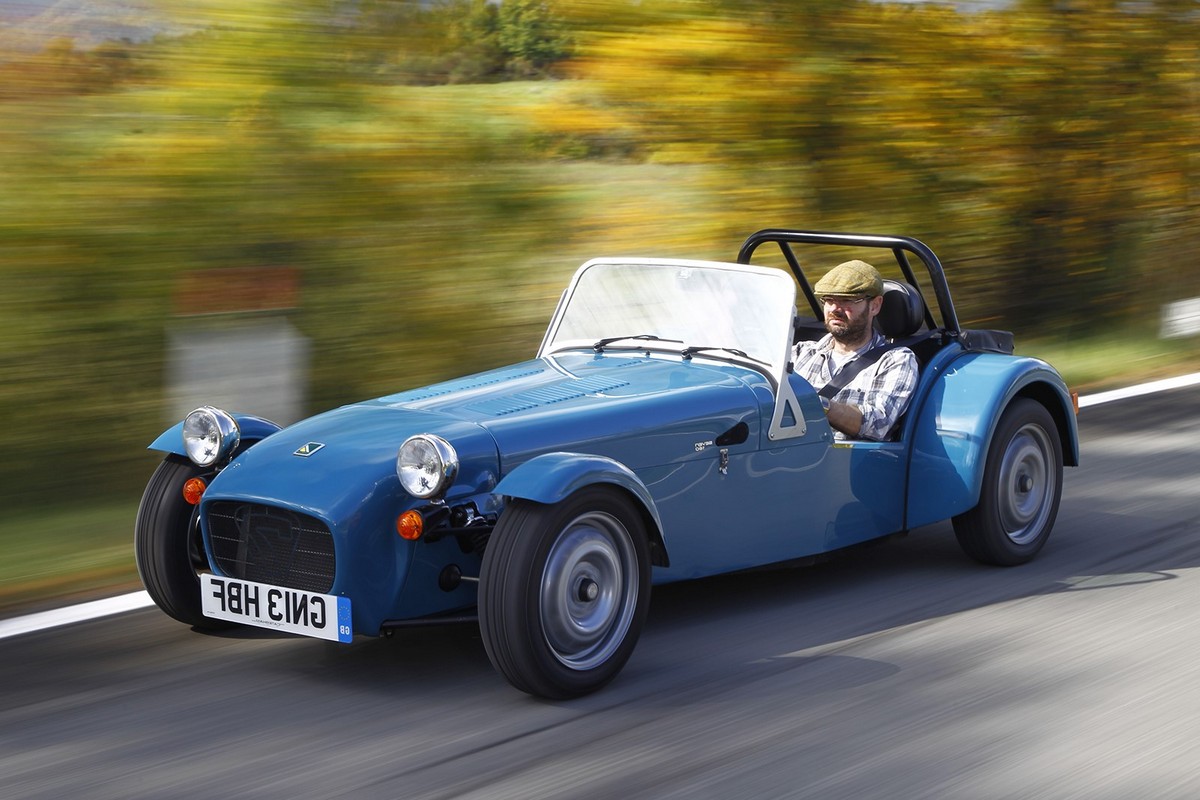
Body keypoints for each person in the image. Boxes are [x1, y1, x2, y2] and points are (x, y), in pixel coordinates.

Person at [792, 260, 919, 441]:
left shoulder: (896, 360)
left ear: (875, 305)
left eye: (847, 300)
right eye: (828, 300)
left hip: (846, 463)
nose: (835, 309)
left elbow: (877, 423)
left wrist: (814, 402)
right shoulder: (801, 352)